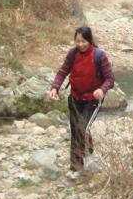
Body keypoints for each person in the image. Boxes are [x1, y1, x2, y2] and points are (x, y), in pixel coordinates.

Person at [48, 26, 114, 178]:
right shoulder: (73, 54)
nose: (80, 45)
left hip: (92, 100)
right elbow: (63, 71)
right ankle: (76, 167)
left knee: (82, 128)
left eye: (83, 41)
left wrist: (102, 90)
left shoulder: (99, 55)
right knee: (75, 131)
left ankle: (89, 159)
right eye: (77, 41)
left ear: (89, 40)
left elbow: (110, 79)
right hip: (75, 98)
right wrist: (55, 88)